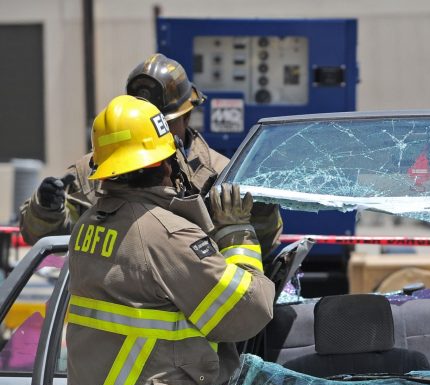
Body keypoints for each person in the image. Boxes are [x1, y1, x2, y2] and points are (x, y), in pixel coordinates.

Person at [64, 95, 275, 385]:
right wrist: (237, 234)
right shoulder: (163, 234)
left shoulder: (90, 225)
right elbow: (247, 311)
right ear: (167, 162)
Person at [19, 53, 283, 259]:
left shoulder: (223, 173)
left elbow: (264, 245)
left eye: (161, 123)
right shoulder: (95, 169)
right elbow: (41, 237)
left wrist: (260, 214)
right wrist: (45, 211)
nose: (154, 133)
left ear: (187, 116)